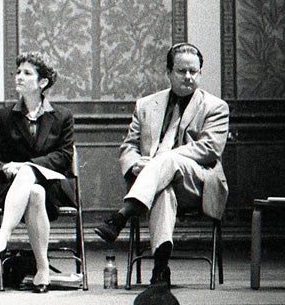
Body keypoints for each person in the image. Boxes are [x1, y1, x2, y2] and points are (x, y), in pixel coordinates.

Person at [94, 42, 229, 287]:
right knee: (163, 192)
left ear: (200, 72)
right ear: (168, 73)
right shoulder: (146, 105)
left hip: (197, 184)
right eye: (181, 71)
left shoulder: (215, 107)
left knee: (168, 160)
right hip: (155, 185)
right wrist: (135, 165)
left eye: (194, 72)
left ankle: (122, 215)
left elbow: (209, 149)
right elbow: (129, 147)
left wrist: (159, 161)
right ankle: (160, 268)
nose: (188, 77)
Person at [0, 51, 76, 294]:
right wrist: (7, 167)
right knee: (33, 190)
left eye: (27, 73)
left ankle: (3, 235)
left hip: (53, 186)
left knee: (33, 180)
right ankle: (43, 268)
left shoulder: (62, 117)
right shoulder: (3, 117)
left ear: (42, 82)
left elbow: (64, 156)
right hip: (13, 187)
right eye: (18, 72)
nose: (19, 77)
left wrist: (29, 166)